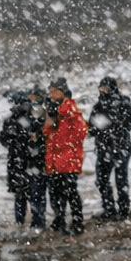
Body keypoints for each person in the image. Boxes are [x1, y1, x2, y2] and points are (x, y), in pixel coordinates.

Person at [44, 78, 89, 235]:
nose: (51, 94)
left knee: (69, 192)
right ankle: (61, 220)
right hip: (56, 158)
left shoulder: (70, 109)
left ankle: (76, 222)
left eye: (54, 91)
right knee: (56, 193)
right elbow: (48, 133)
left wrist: (63, 141)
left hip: (67, 158)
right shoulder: (53, 109)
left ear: (62, 91)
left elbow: (81, 131)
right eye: (50, 92)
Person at [90, 75, 131, 223]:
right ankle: (109, 208)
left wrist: (114, 125)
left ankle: (123, 210)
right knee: (102, 179)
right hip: (104, 148)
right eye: (101, 88)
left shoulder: (123, 103)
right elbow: (91, 127)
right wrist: (97, 128)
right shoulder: (98, 106)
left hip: (120, 148)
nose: (103, 91)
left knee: (121, 180)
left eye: (106, 88)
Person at [0, 91, 48, 231]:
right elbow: (4, 140)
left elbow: (39, 138)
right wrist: (13, 139)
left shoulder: (36, 117)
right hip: (18, 161)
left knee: (35, 194)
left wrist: (27, 142)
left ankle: (37, 223)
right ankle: (22, 222)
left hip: (32, 161)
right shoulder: (10, 119)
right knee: (21, 194)